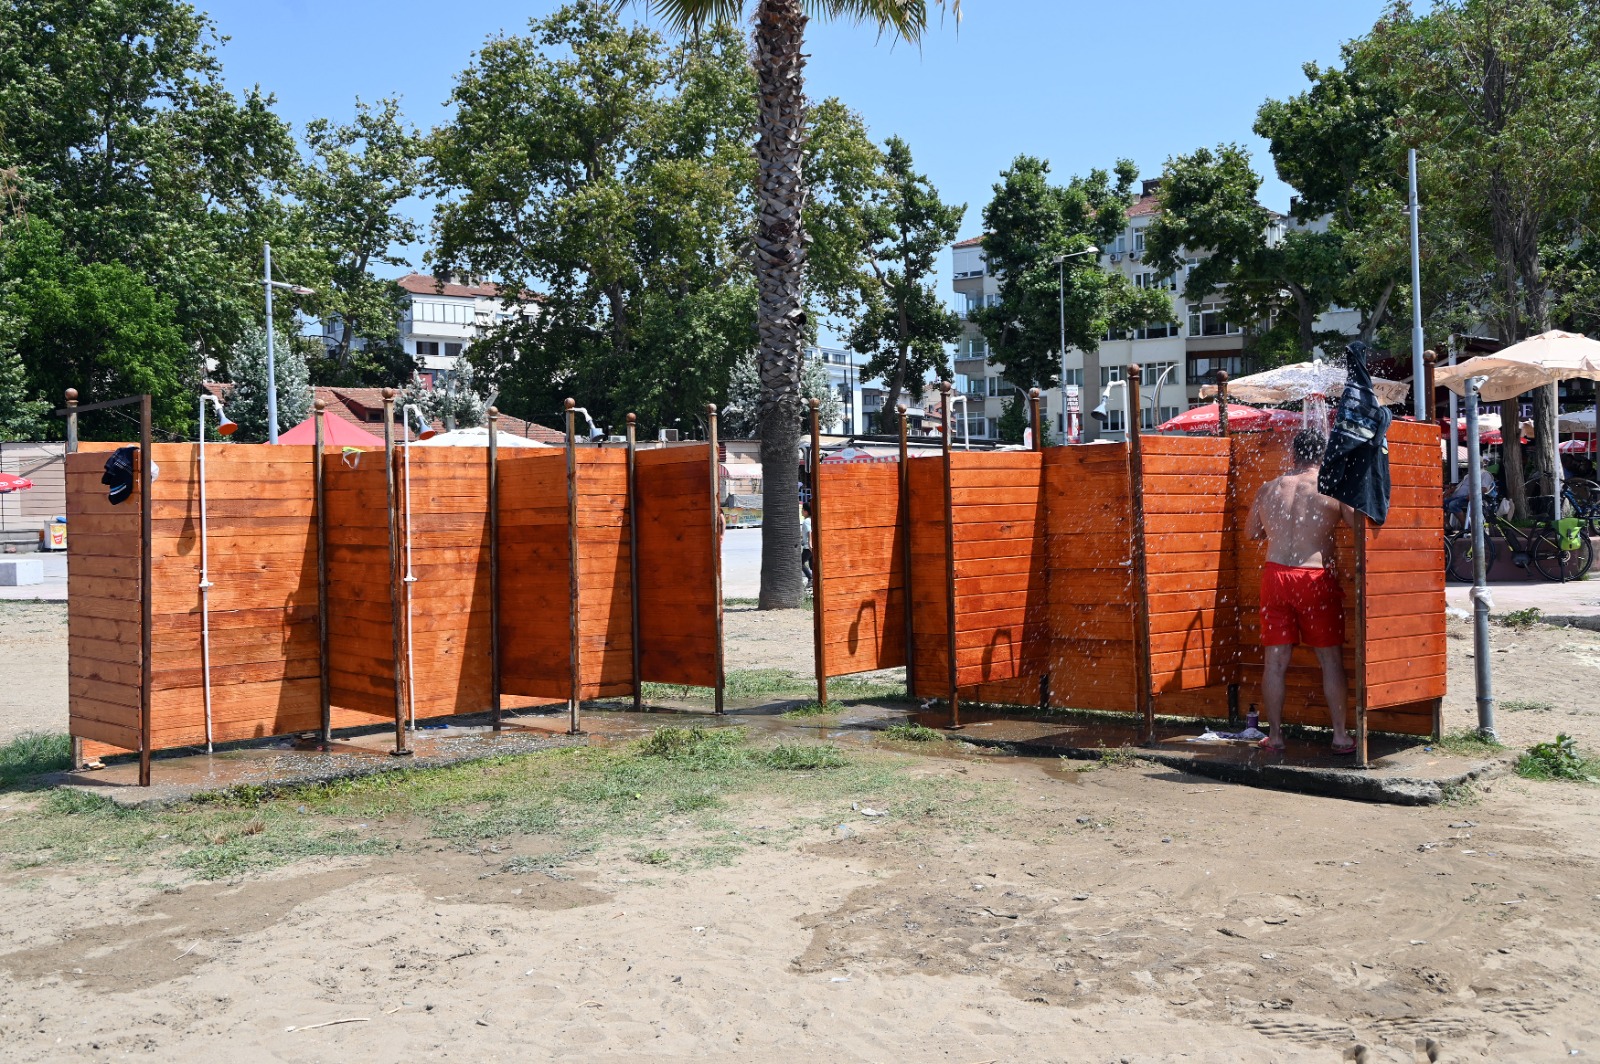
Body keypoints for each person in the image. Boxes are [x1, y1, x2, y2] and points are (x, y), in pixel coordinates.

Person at [1245, 430, 1360, 754]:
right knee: (1329, 659)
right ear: (1323, 456)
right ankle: (1340, 736)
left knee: (1275, 662)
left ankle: (1275, 736)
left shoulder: (1269, 488)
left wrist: (1281, 531)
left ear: (1293, 454)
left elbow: (1252, 532)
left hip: (1275, 576)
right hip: (1314, 577)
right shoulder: (1331, 486)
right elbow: (1360, 526)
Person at [800, 502, 814, 590]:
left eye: (802, 510)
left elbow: (809, 532)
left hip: (808, 548)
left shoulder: (806, 521)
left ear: (805, 511)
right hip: (810, 547)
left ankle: (810, 578)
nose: (801, 511)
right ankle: (814, 581)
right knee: (812, 565)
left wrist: (809, 544)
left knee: (799, 563)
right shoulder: (811, 520)